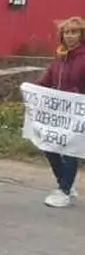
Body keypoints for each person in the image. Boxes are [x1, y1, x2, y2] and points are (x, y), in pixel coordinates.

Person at [34, 16, 84, 208]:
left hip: (77, 113)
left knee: (70, 151)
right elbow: (47, 79)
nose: (70, 36)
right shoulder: (60, 57)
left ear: (81, 34)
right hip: (57, 112)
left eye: (74, 32)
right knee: (49, 145)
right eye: (67, 32)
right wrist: (32, 89)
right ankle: (66, 185)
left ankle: (63, 190)